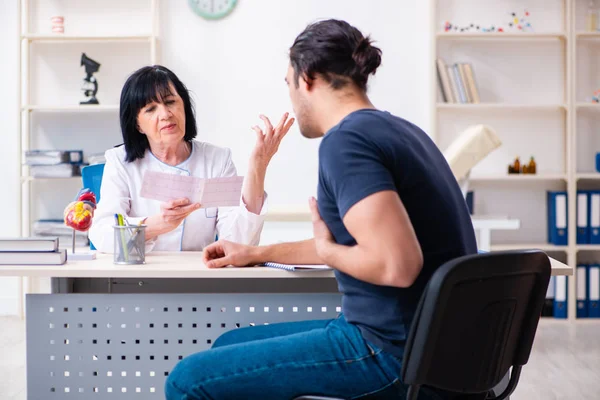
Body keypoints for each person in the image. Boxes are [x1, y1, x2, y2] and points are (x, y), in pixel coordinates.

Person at [165, 19, 477, 400]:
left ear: (307, 78)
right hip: (439, 350)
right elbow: (361, 243)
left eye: (288, 84)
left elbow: (397, 265)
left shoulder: (347, 142)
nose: (291, 99)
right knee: (229, 344)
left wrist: (329, 252)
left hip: (391, 354)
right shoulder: (402, 132)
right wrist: (256, 253)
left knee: (187, 380)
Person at [88, 65, 294, 252]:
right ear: (137, 125)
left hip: (197, 279)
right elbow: (102, 236)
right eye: (151, 109)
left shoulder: (216, 160)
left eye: (170, 102)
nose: (166, 114)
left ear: (184, 106)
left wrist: (258, 167)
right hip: (138, 281)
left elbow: (240, 243)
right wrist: (159, 224)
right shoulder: (120, 162)